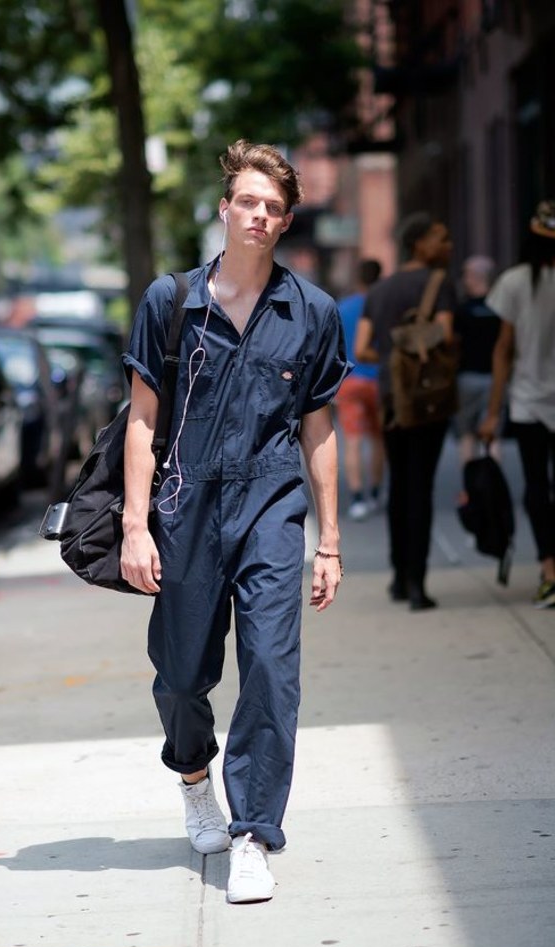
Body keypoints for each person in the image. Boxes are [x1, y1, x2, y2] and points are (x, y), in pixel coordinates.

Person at [121, 140, 349, 903]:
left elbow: (319, 429)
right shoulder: (172, 301)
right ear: (226, 207)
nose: (258, 215)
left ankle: (255, 831)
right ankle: (193, 776)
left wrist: (330, 541)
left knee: (271, 673)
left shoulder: (311, 312)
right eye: (246, 200)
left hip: (273, 506)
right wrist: (134, 525)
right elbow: (142, 420)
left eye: (273, 207)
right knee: (181, 677)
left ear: (286, 221)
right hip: (185, 507)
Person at [354, 212, 456, 611]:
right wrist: (416, 353)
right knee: (421, 488)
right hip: (428, 400)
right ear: (420, 244)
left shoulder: (378, 291)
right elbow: (444, 334)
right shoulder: (438, 283)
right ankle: (417, 583)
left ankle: (398, 577)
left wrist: (393, 356)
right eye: (440, 237)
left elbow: (362, 349)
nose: (447, 245)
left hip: (391, 399)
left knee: (399, 487)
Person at [480, 200, 555, 610]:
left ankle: (549, 571)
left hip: (528, 402)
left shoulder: (514, 282)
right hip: (536, 400)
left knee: (536, 486)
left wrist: (492, 412)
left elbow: (503, 349)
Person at [335, 259, 385, 520]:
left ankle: (356, 497)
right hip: (379, 379)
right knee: (378, 440)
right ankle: (375, 493)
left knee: (352, 441)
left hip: (350, 380)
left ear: (359, 279)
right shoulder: (385, 306)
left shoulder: (343, 307)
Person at [453, 256, 501, 464]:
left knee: (467, 434)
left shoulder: (462, 310)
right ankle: (494, 487)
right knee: (493, 433)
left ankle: (469, 489)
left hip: (467, 377)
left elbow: (453, 343)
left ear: (473, 277)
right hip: (496, 378)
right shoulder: (500, 308)